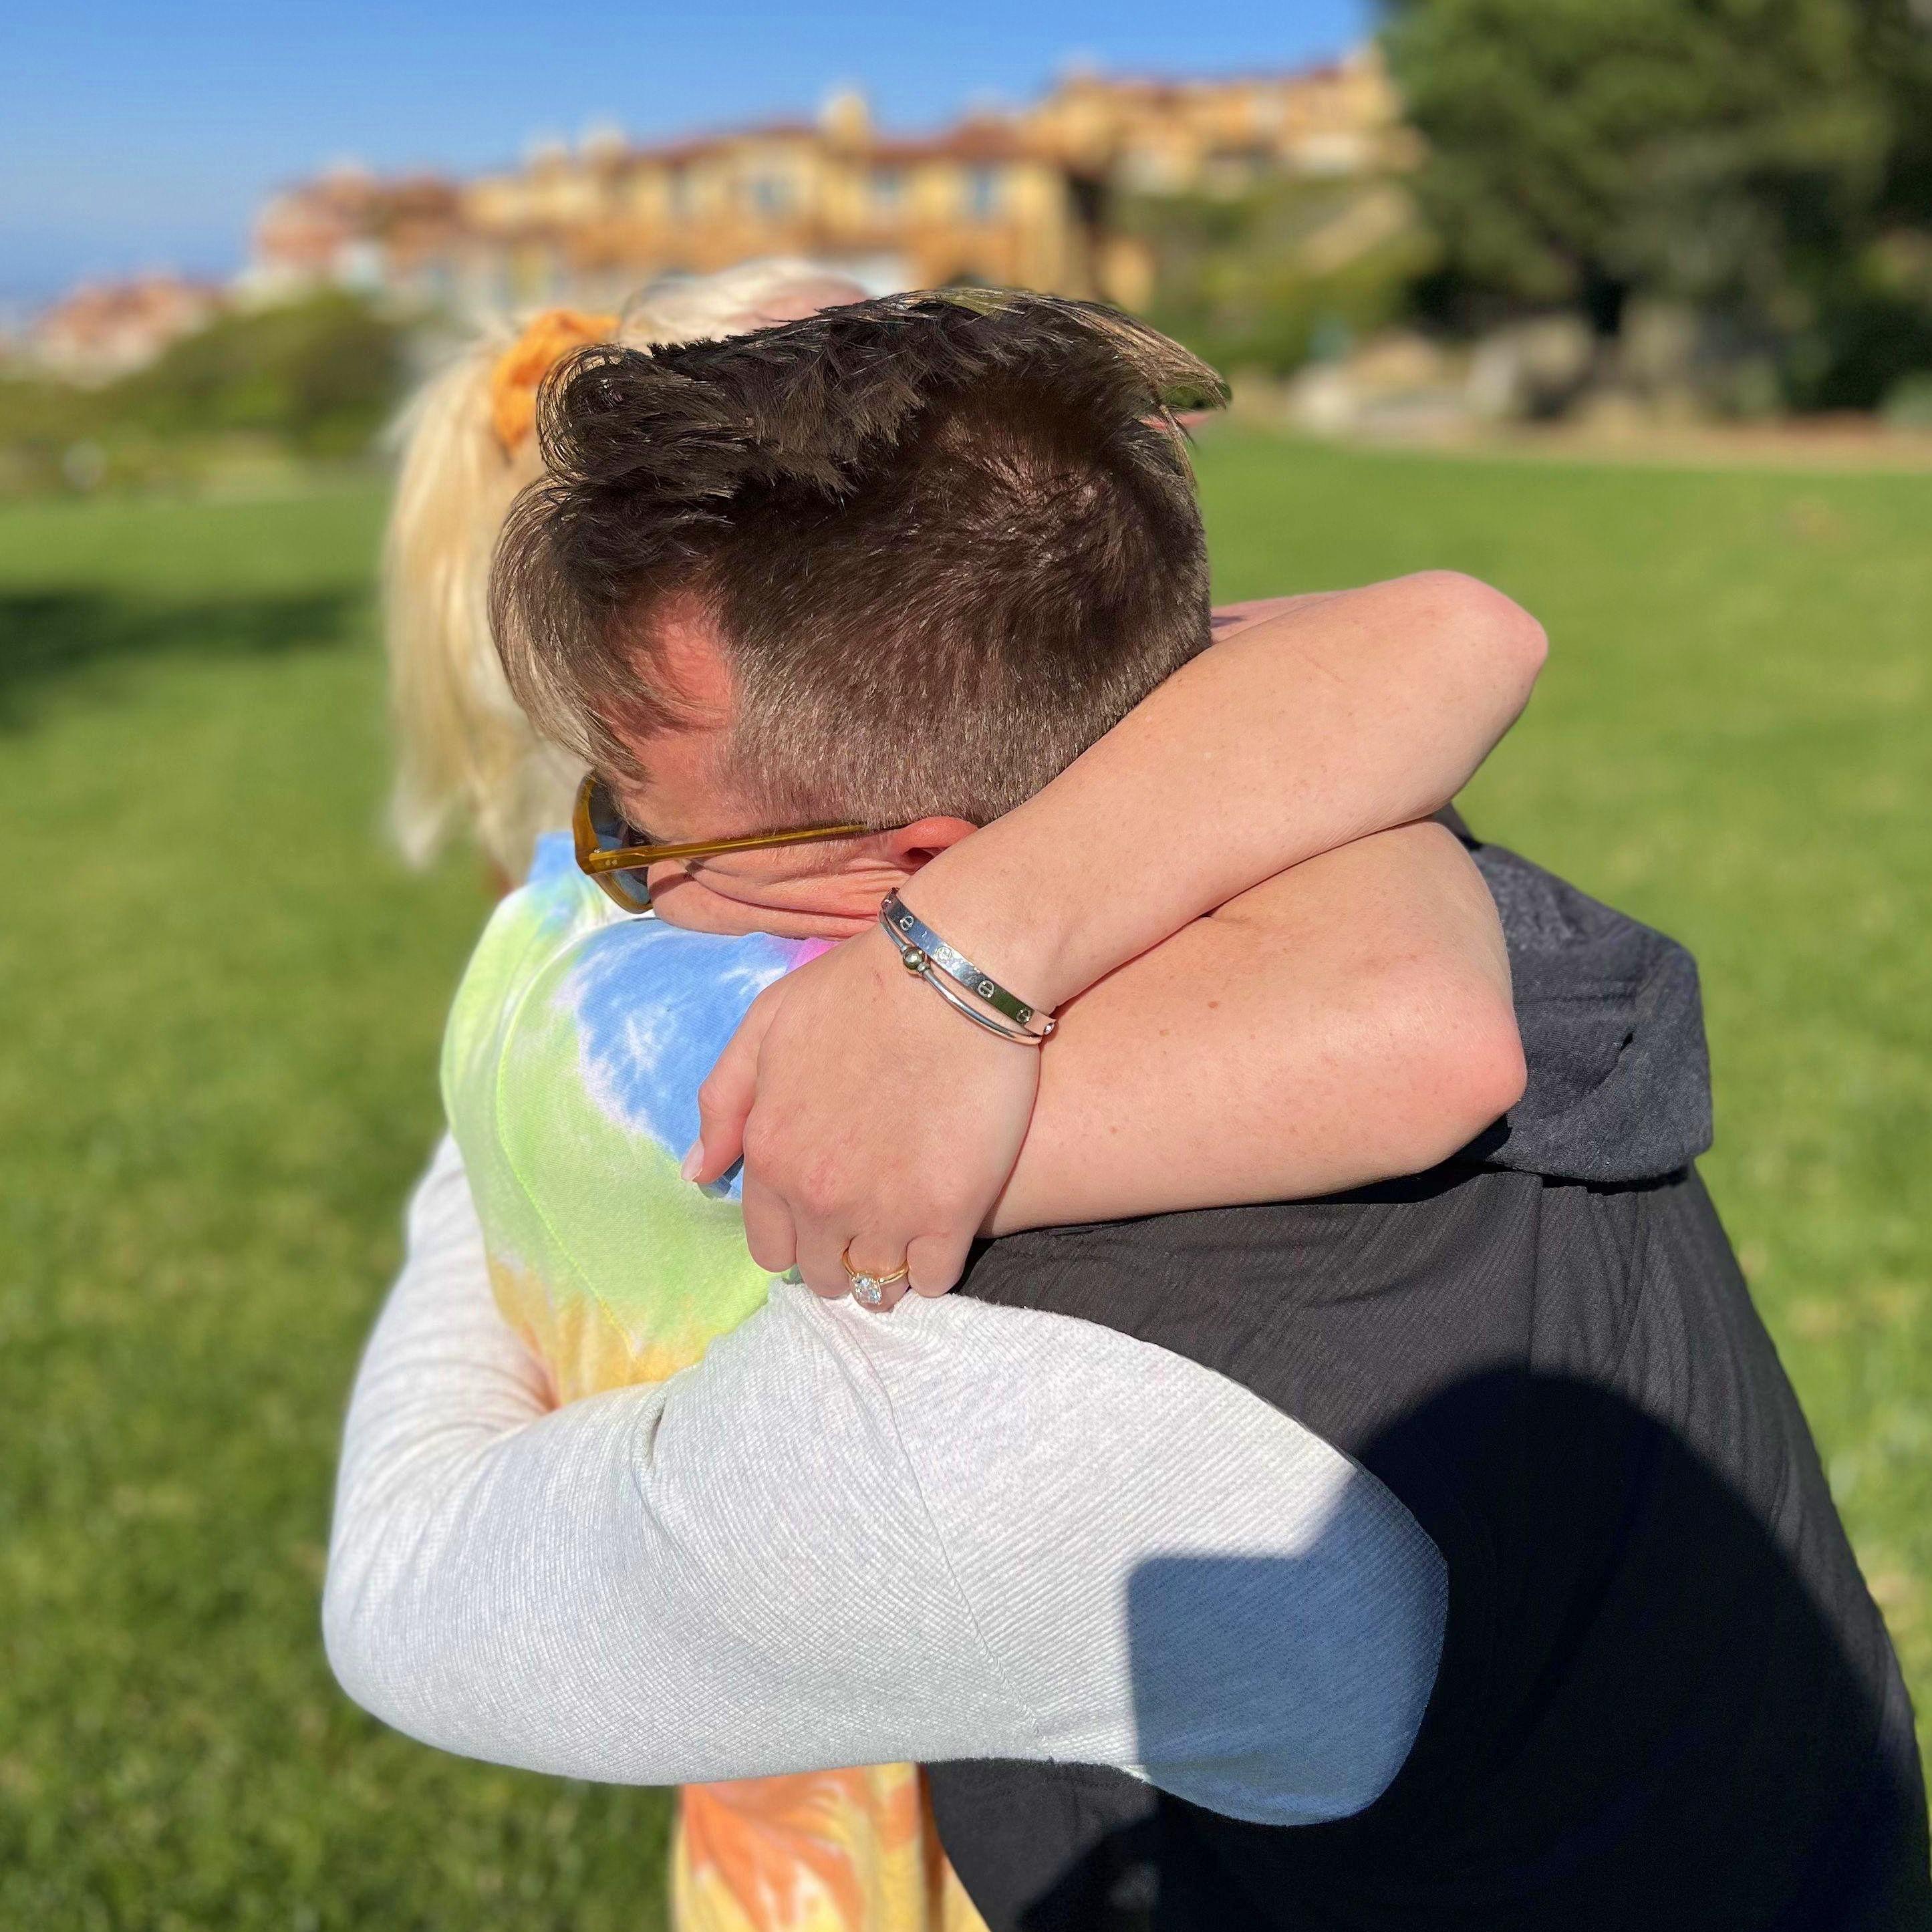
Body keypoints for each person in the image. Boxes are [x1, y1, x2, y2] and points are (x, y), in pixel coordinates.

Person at [333, 293, 1929, 1927]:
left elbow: (405, 1581)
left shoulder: (968, 1411)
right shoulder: (1337, 833)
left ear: (922, 857)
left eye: (637, 843)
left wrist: (519, 1112)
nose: (627, 897)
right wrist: (976, 943)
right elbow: (1433, 646)